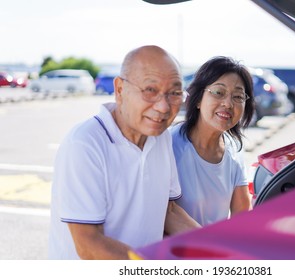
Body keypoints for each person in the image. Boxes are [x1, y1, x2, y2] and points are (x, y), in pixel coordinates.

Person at [48, 45, 200, 260]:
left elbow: (169, 211)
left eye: (174, 93)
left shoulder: (161, 136)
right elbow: (88, 244)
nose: (163, 107)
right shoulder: (85, 143)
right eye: (150, 90)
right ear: (120, 89)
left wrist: (216, 248)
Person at [170, 56, 255, 226]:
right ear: (199, 99)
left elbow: (242, 218)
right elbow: (166, 212)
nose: (228, 104)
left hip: (217, 247)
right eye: (218, 93)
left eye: (238, 96)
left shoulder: (234, 148)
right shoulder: (169, 144)